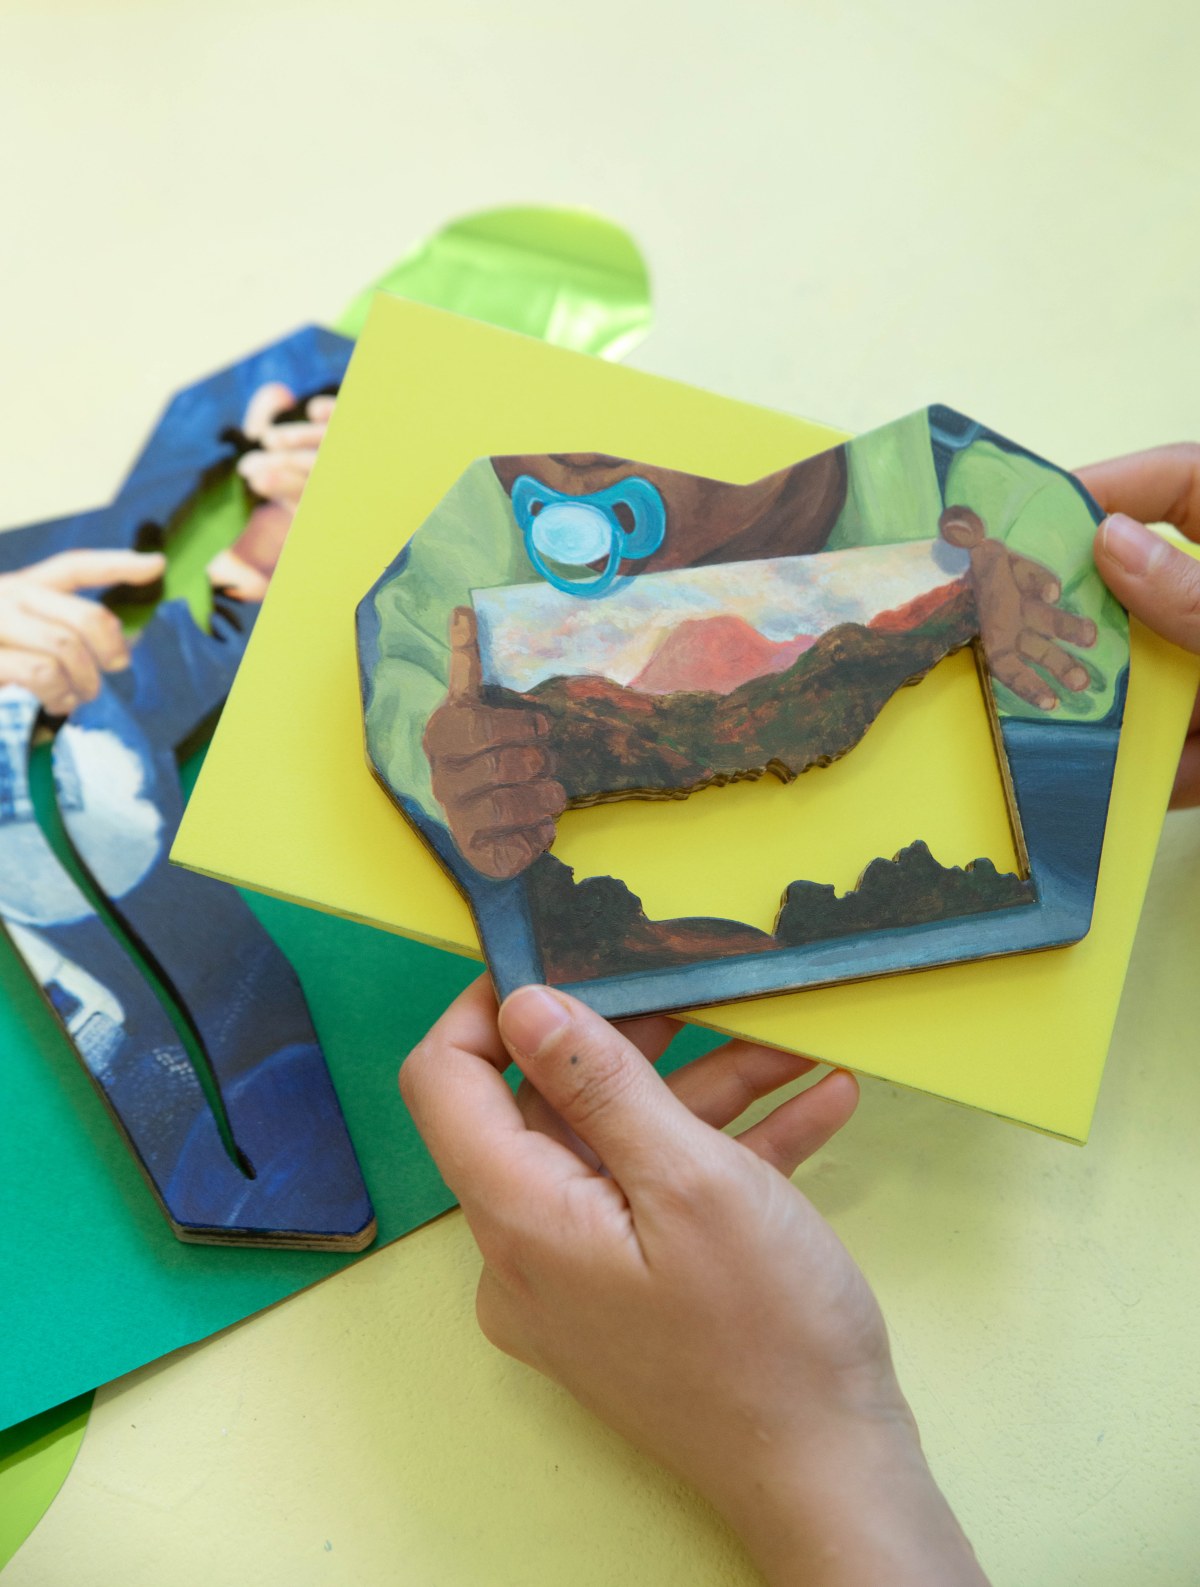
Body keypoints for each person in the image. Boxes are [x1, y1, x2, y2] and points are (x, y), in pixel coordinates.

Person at [398, 442, 1200, 1585]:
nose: (596, 497)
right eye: (559, 486)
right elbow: (414, 659)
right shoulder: (478, 530)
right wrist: (435, 738)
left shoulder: (959, 490)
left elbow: (1029, 562)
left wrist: (814, 1440)